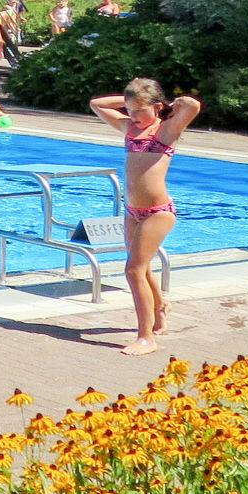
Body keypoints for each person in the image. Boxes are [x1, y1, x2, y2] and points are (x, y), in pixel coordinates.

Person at [90, 80, 202, 354]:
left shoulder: (165, 131)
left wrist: (166, 108)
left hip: (158, 213)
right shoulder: (128, 128)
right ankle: (160, 306)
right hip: (133, 212)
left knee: (133, 270)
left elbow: (192, 105)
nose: (134, 116)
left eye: (140, 111)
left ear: (157, 107)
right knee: (144, 268)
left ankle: (146, 338)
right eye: (129, 110)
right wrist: (131, 101)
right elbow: (96, 104)